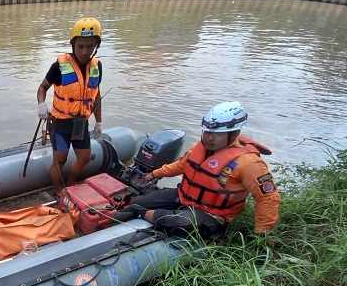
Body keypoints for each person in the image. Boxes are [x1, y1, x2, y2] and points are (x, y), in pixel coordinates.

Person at [115, 101, 280, 238]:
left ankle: (145, 215)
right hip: (184, 198)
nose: (208, 137)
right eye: (207, 131)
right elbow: (181, 165)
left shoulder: (250, 163)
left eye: (216, 134)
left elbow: (268, 198)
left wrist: (261, 235)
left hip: (213, 215)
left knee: (174, 222)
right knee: (137, 201)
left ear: (234, 133)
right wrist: (154, 174)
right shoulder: (200, 148)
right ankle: (134, 213)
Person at [36, 17, 104, 193]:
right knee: (60, 159)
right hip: (60, 122)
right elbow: (43, 87)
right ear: (73, 44)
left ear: (96, 46)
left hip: (81, 122)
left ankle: (72, 181)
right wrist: (41, 104)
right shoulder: (59, 66)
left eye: (90, 46)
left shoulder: (97, 66)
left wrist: (99, 122)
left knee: (85, 157)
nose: (85, 51)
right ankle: (59, 190)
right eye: (81, 46)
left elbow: (96, 96)